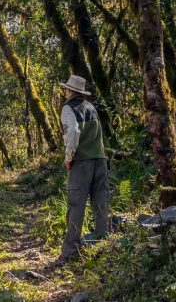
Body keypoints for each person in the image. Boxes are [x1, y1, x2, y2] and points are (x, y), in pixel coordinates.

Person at [58, 74, 109, 263]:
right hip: (100, 160)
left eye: (66, 88)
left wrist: (68, 157)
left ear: (70, 91)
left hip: (82, 162)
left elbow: (72, 132)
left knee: (76, 205)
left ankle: (71, 251)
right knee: (100, 204)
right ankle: (103, 245)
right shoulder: (91, 107)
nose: (65, 91)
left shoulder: (68, 108)